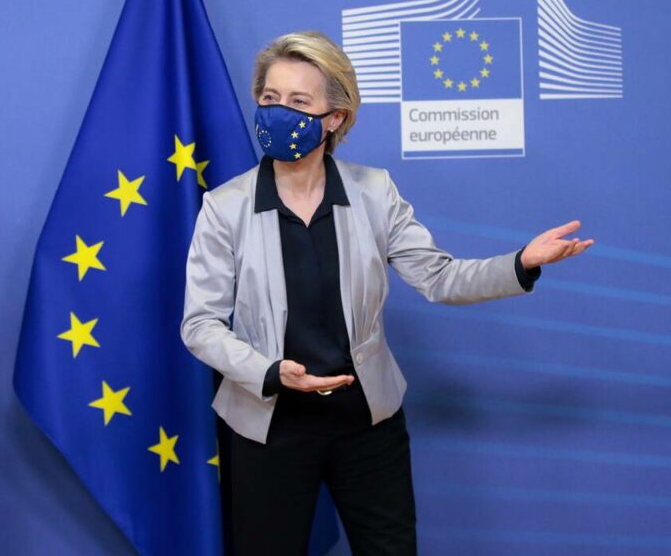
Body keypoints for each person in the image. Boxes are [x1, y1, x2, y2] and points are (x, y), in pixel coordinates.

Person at [180, 31, 592, 556]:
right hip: (268, 424)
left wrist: (520, 263)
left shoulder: (375, 192)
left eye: (299, 102)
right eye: (270, 98)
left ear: (336, 117)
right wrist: (270, 372)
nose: (279, 113)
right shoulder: (224, 207)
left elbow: (440, 278)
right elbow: (200, 324)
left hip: (366, 423)